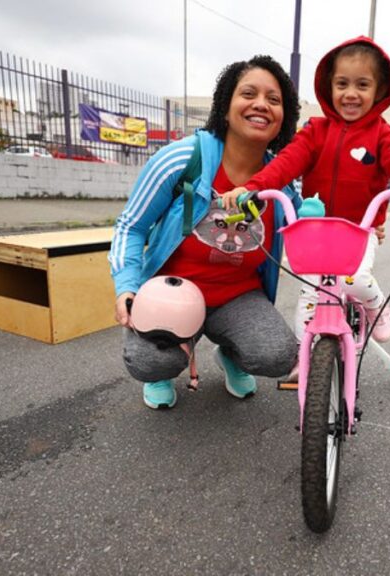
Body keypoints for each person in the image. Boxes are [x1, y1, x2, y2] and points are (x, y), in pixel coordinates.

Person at [224, 36, 390, 345]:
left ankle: (377, 307)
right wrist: (254, 188)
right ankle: (304, 356)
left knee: (355, 279)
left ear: (379, 91)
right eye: (342, 84)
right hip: (316, 232)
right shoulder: (315, 132)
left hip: (360, 230)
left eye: (362, 85)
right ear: (329, 87)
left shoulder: (382, 135)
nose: (350, 94)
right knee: (308, 299)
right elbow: (285, 164)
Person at [108, 55, 301, 410]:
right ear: (225, 107)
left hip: (238, 296)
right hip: (174, 294)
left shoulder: (284, 184)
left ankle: (231, 354)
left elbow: (309, 229)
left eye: (274, 100)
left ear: (283, 119)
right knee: (152, 360)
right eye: (248, 93)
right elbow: (130, 227)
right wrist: (127, 287)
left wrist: (366, 226)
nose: (261, 104)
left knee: (278, 355)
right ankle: (164, 369)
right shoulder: (181, 160)